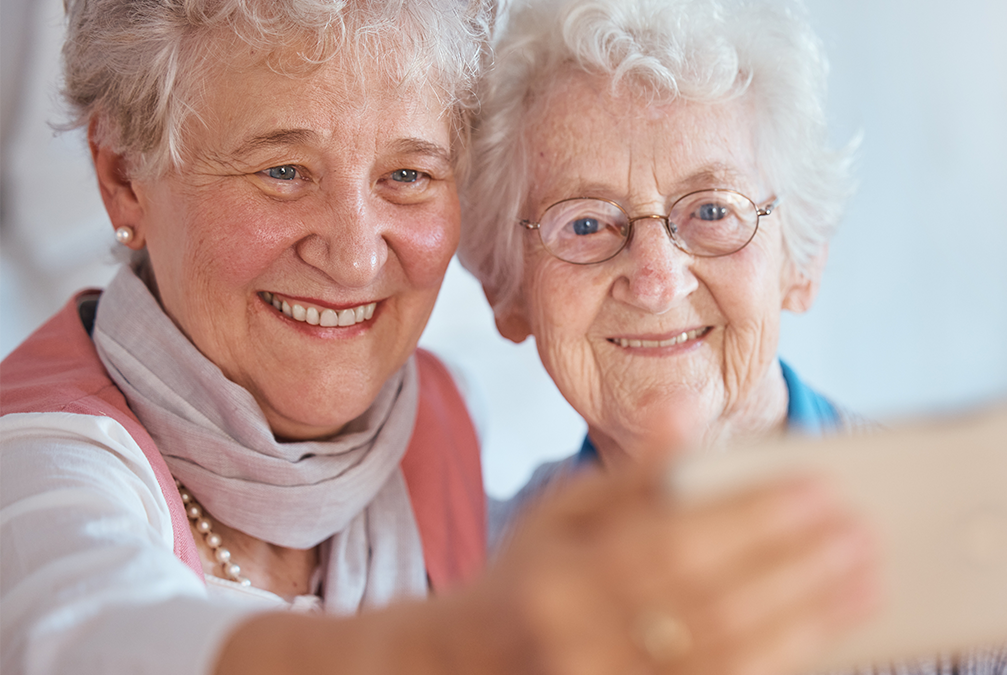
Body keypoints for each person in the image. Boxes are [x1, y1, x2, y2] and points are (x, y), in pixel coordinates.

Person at [0, 1, 878, 673]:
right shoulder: (39, 458)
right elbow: (91, 632)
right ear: (122, 179)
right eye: (281, 170)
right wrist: (474, 637)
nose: (351, 254)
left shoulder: (438, 431)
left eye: (408, 173)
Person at [459, 0, 1007, 672]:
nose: (655, 278)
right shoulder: (469, 577)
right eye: (584, 223)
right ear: (506, 289)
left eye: (712, 209)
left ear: (802, 260)